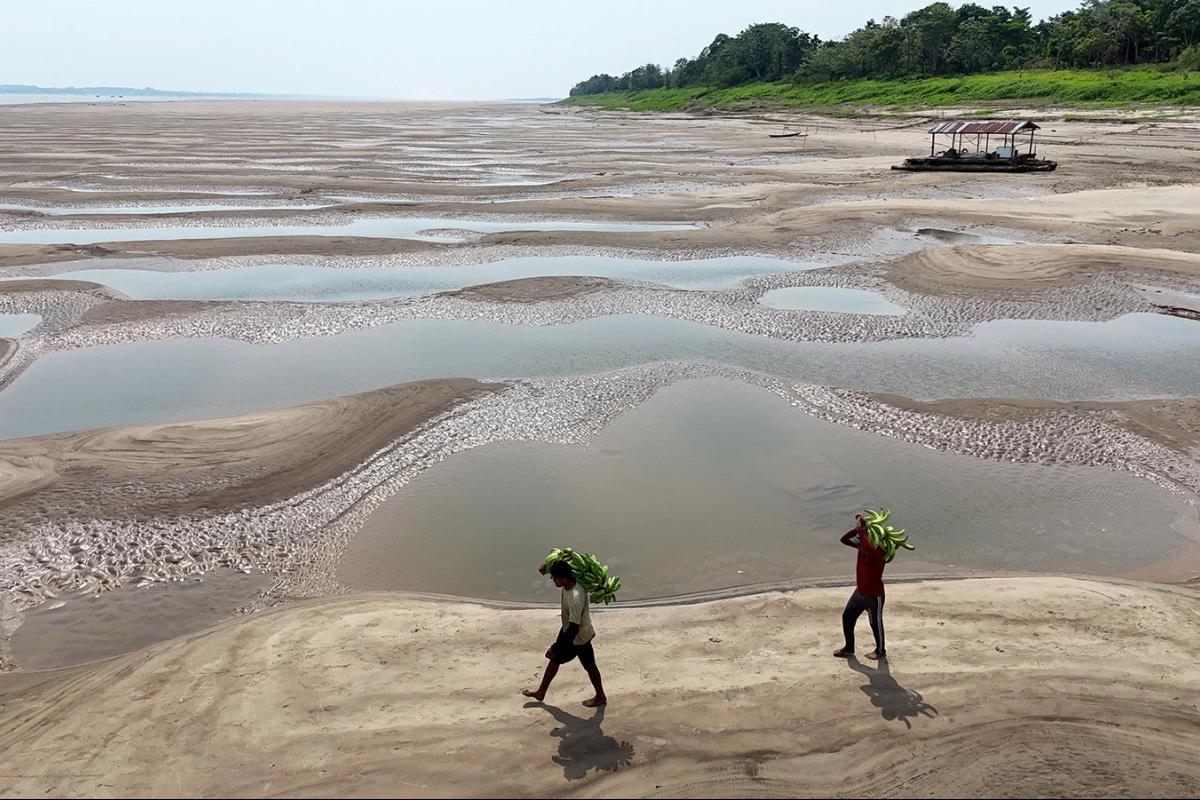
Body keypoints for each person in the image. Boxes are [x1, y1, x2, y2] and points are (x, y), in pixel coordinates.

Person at [522, 559, 607, 707]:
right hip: (572, 631)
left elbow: (574, 627)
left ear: (563, 577)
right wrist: (544, 567)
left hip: (579, 637)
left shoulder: (575, 596)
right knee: (569, 662)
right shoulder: (568, 585)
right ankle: (541, 692)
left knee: (584, 664)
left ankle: (600, 696)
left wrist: (555, 646)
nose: (553, 580)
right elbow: (562, 557)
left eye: (554, 577)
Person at [833, 513, 887, 661]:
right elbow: (844, 540)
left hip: (874, 596)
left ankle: (880, 650)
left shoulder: (879, 552)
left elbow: (869, 548)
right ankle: (849, 648)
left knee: (875, 624)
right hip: (860, 593)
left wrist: (860, 527)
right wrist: (858, 529)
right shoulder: (863, 546)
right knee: (847, 617)